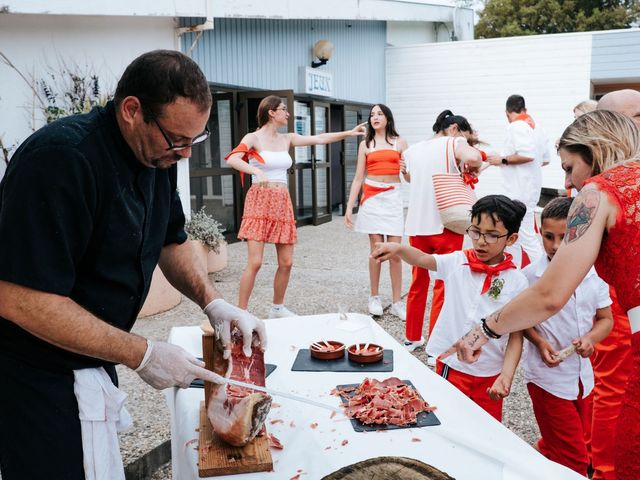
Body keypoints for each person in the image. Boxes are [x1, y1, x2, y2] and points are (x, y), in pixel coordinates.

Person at [0, 50, 265, 480]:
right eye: (176, 139)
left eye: (192, 142)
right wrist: (141, 354)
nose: (182, 154)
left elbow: (171, 240)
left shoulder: (153, 157)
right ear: (131, 110)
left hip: (89, 357)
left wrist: (214, 302)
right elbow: (20, 299)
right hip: (37, 376)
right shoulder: (61, 160)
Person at [446, 110, 640, 480]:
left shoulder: (598, 192)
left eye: (569, 168)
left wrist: (483, 330)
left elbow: (549, 295)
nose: (568, 183)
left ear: (595, 152)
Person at [373, 195, 528, 421]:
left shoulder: (517, 281)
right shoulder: (458, 262)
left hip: (489, 372)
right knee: (447, 421)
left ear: (511, 239)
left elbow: (516, 334)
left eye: (492, 235)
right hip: (452, 366)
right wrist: (398, 248)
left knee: (487, 428)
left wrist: (506, 374)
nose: (481, 241)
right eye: (475, 231)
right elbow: (423, 259)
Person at [225, 95, 365, 318]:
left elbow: (319, 139)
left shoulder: (287, 138)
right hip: (259, 200)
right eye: (283, 109)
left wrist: (348, 133)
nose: (287, 113)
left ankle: (277, 309)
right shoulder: (253, 138)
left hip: (282, 201)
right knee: (256, 262)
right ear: (271, 112)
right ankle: (240, 313)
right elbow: (233, 159)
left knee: (287, 262)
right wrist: (256, 171)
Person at [522, 197, 612, 475]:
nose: (555, 245)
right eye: (548, 237)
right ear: (539, 232)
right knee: (574, 460)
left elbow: (605, 320)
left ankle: (540, 457)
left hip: (583, 377)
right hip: (547, 378)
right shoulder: (530, 277)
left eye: (564, 237)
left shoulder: (594, 273)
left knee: (577, 441)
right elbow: (521, 321)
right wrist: (538, 341)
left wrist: (591, 339)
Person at [583, 89, 640, 480]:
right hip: (619, 298)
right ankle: (602, 467)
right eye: (636, 117)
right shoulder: (597, 185)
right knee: (613, 385)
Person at [401, 110, 482, 352]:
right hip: (446, 223)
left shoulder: (412, 150)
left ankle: (412, 337)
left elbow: (409, 179)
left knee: (418, 283)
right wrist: (469, 157)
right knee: (444, 284)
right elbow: (475, 157)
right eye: (465, 136)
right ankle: (435, 346)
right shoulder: (454, 142)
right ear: (455, 129)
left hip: (417, 225)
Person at [344, 104, 408, 319]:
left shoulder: (400, 142)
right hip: (371, 197)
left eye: (379, 114)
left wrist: (406, 169)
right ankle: (374, 297)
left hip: (393, 197)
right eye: (372, 114)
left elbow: (409, 178)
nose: (375, 117)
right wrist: (349, 207)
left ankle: (398, 301)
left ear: (388, 118)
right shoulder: (366, 144)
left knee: (395, 252)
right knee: (377, 251)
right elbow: (358, 178)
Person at [486, 94, 545, 261]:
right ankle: (514, 272)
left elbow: (528, 155)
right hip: (530, 188)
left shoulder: (516, 126)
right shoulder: (537, 128)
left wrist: (503, 160)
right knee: (515, 235)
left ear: (507, 113)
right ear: (524, 109)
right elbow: (544, 159)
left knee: (526, 237)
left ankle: (542, 273)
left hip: (518, 190)